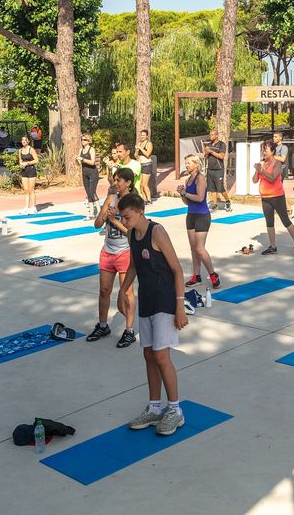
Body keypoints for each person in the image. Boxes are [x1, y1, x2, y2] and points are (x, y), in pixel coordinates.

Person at [117, 192, 188, 436]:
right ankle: (155, 407)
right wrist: (123, 290)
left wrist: (180, 307)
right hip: (147, 300)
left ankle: (175, 410)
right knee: (148, 354)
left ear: (140, 212)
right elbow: (134, 266)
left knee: (161, 356)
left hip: (165, 300)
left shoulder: (157, 232)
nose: (124, 222)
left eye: (127, 217)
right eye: (122, 218)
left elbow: (177, 270)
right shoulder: (131, 235)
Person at [88, 167, 138, 348]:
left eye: (119, 180)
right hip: (107, 252)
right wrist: (103, 216)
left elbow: (134, 232)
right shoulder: (111, 198)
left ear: (128, 183)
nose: (115, 183)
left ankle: (129, 330)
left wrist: (116, 220)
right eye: (114, 180)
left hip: (125, 253)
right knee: (104, 291)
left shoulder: (133, 202)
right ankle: (103, 325)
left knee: (127, 293)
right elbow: (96, 225)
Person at [253, 139, 294, 257]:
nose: (263, 152)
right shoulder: (262, 164)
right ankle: (273, 246)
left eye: (265, 150)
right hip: (265, 198)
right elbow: (255, 180)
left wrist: (262, 170)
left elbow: (272, 178)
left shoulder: (277, 164)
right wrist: (257, 170)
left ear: (272, 151)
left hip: (277, 197)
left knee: (285, 221)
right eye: (263, 150)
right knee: (269, 223)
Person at [177, 154, 219, 290]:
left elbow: (200, 198)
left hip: (202, 216)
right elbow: (187, 201)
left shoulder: (200, 178)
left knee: (199, 248)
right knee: (193, 248)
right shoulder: (188, 180)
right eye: (186, 163)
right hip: (191, 215)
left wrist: (185, 193)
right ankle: (197, 276)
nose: (187, 165)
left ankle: (213, 274)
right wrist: (182, 193)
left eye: (189, 163)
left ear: (196, 164)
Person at [203, 128, 231, 211]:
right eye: (210, 135)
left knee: (220, 188)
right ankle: (215, 205)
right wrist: (206, 153)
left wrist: (211, 151)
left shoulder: (222, 145)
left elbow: (221, 156)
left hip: (219, 169)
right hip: (210, 169)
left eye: (212, 135)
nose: (210, 136)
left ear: (216, 136)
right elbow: (205, 158)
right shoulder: (209, 145)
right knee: (212, 189)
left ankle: (227, 201)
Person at [76, 133, 101, 218]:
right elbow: (79, 164)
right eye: (82, 140)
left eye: (84, 140)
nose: (82, 141)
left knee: (92, 192)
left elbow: (93, 162)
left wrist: (83, 159)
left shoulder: (91, 149)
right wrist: (77, 160)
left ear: (88, 141)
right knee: (88, 193)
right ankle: (91, 212)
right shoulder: (80, 150)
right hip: (85, 173)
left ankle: (99, 211)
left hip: (93, 173)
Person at [18, 135, 39, 214]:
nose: (23, 141)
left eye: (25, 140)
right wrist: (21, 164)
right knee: (26, 190)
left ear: (28, 141)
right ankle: (26, 207)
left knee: (31, 190)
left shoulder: (31, 149)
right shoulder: (20, 150)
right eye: (22, 140)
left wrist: (28, 163)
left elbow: (36, 160)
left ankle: (33, 207)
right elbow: (20, 160)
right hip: (24, 171)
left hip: (31, 170)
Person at [135, 130, 154, 204]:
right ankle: (144, 199)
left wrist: (140, 148)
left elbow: (147, 154)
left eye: (143, 135)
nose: (141, 137)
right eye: (141, 135)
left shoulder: (149, 144)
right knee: (140, 185)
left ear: (146, 136)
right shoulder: (139, 143)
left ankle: (149, 199)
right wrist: (136, 150)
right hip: (140, 165)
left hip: (147, 165)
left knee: (144, 184)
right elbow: (136, 156)